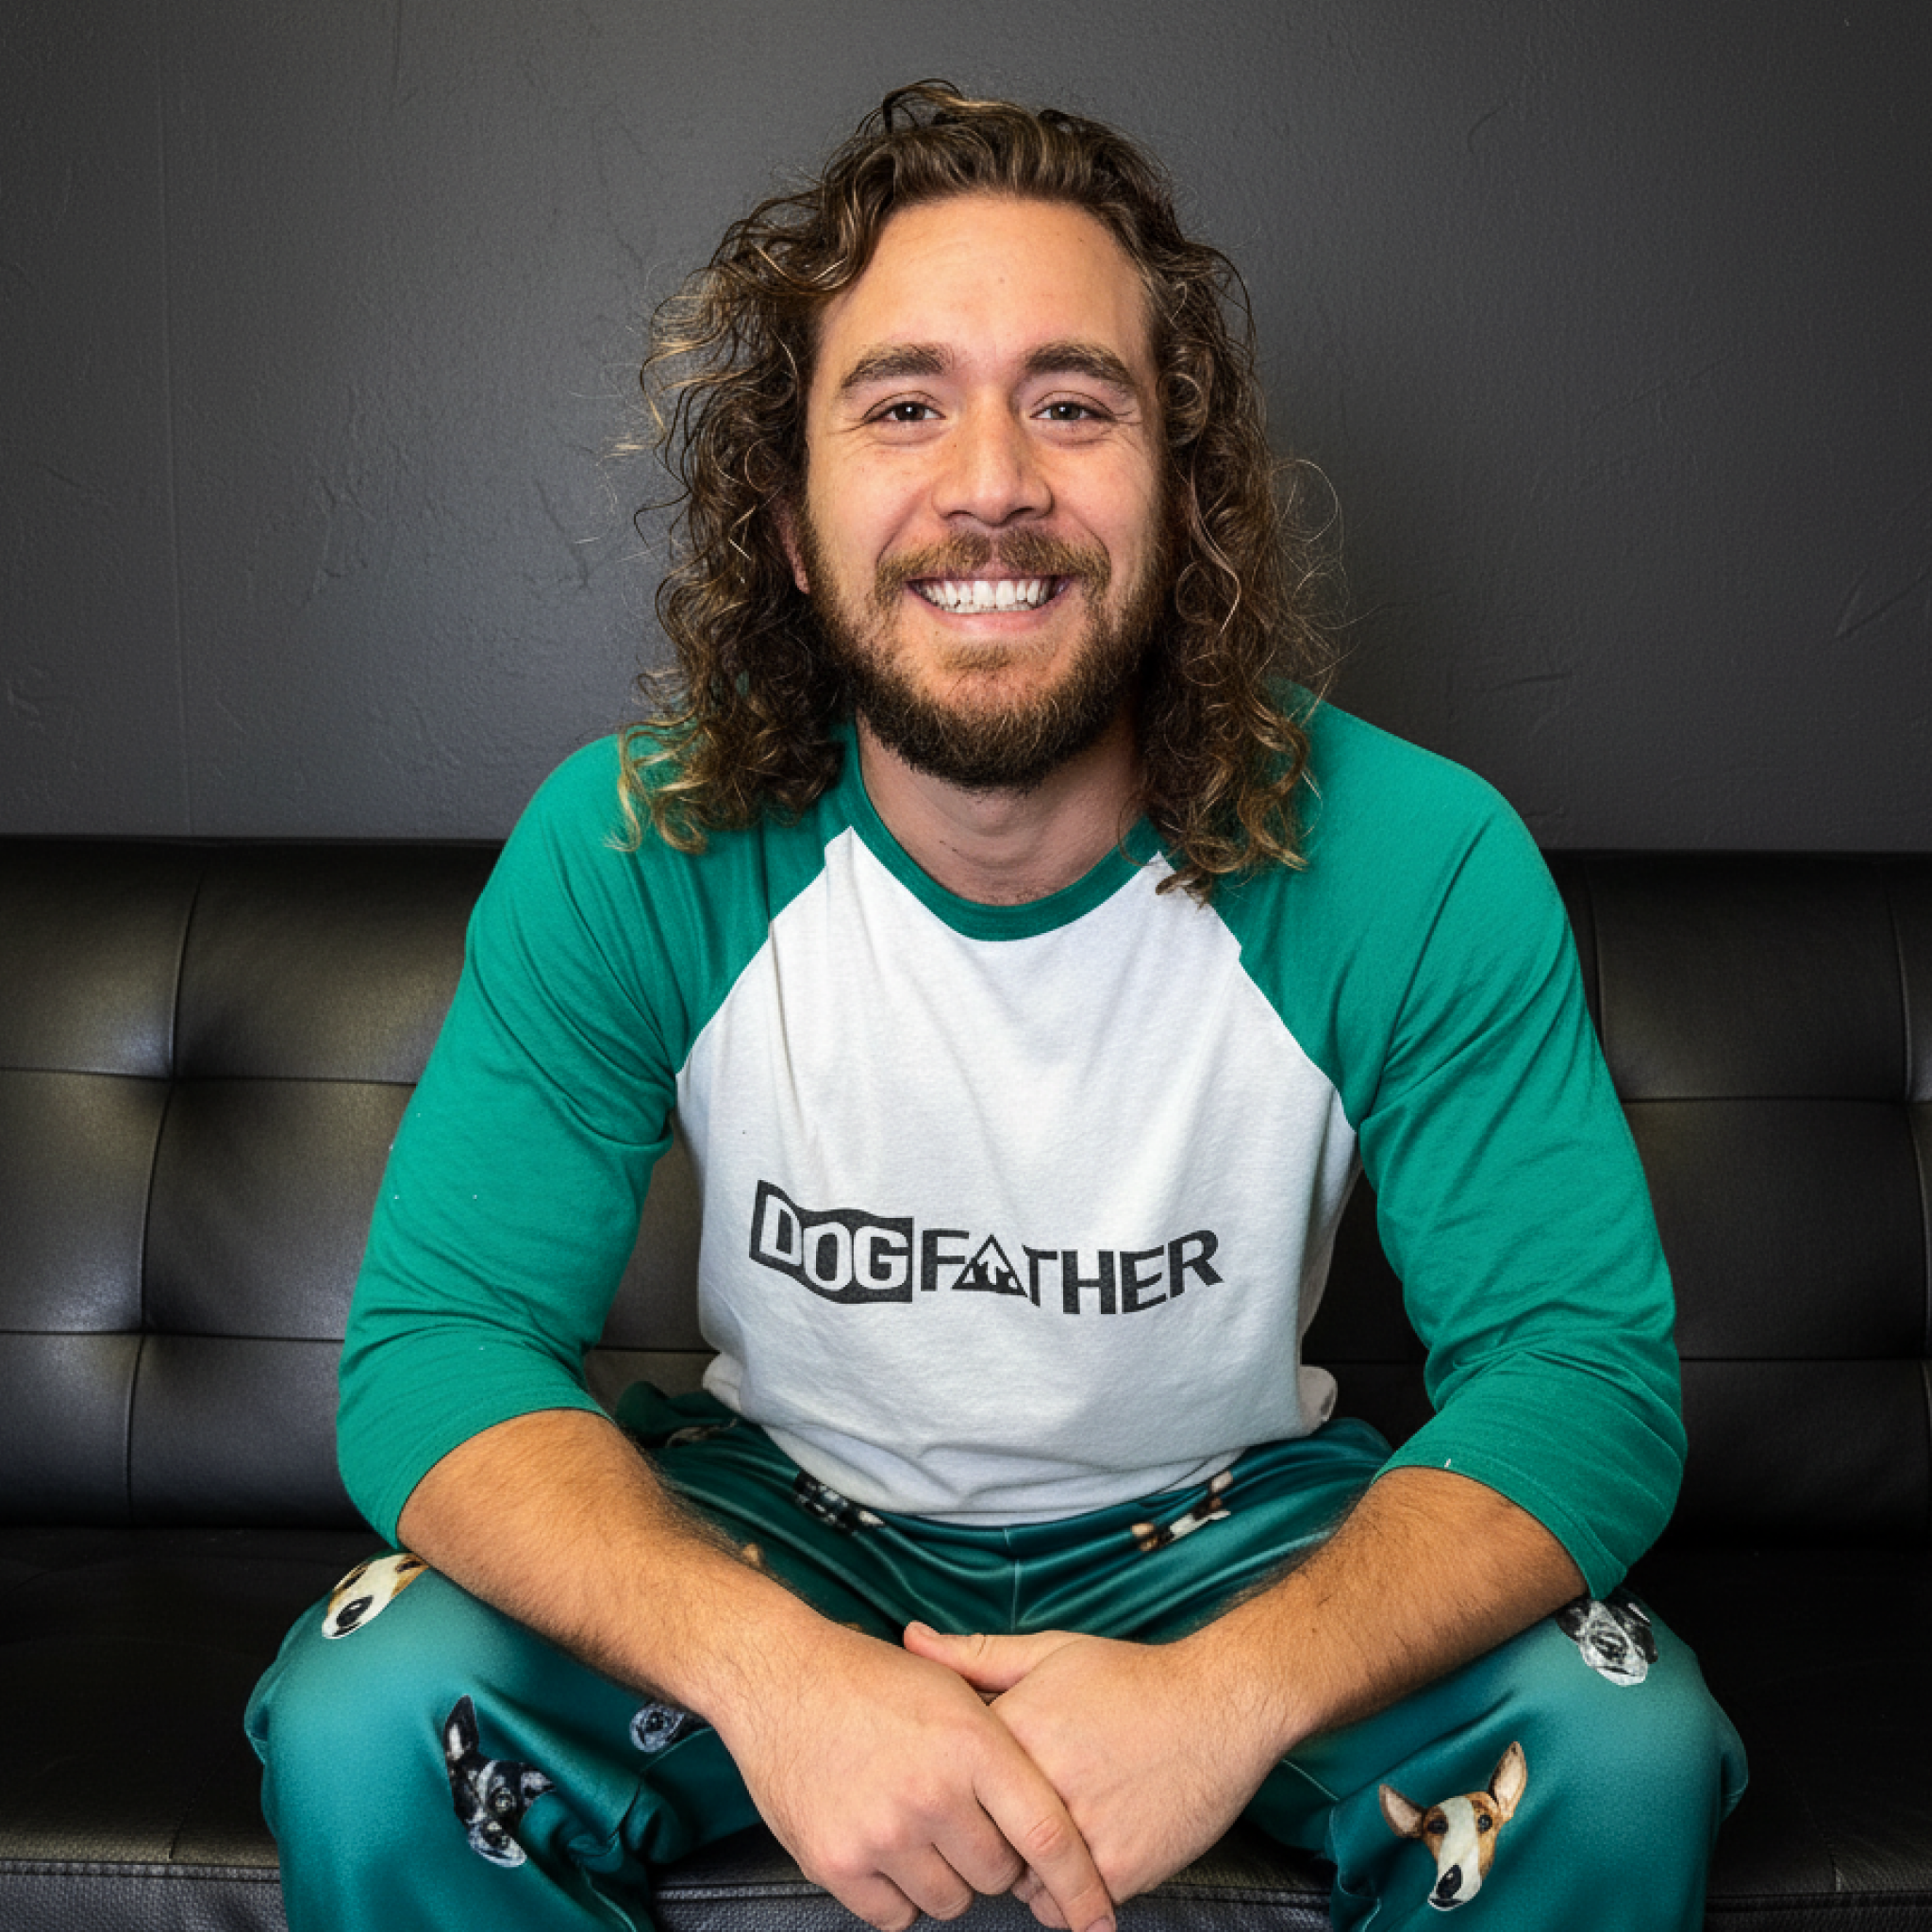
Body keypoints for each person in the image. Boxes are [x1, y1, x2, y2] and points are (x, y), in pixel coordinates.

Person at [247, 81, 1745, 1932]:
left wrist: (1228, 1695)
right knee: (366, 1706)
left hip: (1232, 1533)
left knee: (1619, 1744)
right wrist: (774, 1670)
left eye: (1070, 401)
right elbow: (439, 1342)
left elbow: (1576, 1376)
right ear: (789, 520)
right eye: (900, 404)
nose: (989, 482)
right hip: (783, 1514)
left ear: (1180, 497)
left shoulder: (1413, 856)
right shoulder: (638, 840)